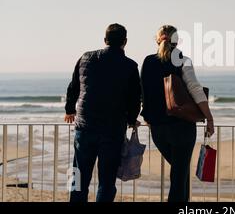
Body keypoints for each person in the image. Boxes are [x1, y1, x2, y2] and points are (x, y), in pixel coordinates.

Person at [64, 23, 141, 202]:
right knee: (106, 181)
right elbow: (134, 98)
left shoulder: (85, 58)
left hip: (85, 127)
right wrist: (131, 119)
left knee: (79, 177)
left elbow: (74, 86)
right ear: (125, 41)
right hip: (112, 130)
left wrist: (69, 110)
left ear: (105, 40)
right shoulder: (130, 66)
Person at [140, 25, 214, 202]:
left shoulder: (148, 61)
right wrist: (209, 118)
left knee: (180, 172)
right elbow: (195, 89)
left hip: (158, 129)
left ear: (157, 39)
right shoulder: (182, 60)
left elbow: (143, 92)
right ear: (177, 41)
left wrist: (147, 118)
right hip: (182, 127)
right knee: (179, 176)